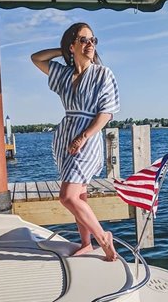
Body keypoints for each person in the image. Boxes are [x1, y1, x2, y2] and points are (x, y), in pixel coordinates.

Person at [31, 22, 120, 261]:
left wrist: (84, 136)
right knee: (79, 196)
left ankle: (103, 238)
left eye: (93, 40)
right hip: (66, 137)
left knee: (67, 196)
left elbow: (107, 112)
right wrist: (63, 51)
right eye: (84, 40)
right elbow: (36, 59)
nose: (90, 44)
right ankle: (85, 243)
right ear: (73, 46)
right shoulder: (65, 75)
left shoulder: (103, 74)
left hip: (87, 139)